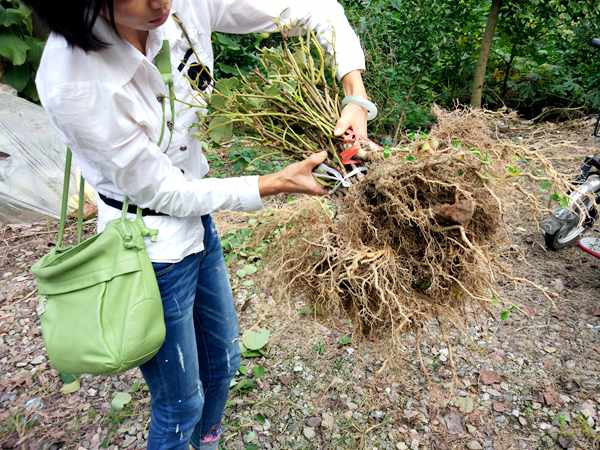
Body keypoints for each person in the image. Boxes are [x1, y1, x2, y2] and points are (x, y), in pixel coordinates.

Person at [24, 0, 371, 448]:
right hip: (146, 248)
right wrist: (271, 184)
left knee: (225, 361)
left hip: (197, 219)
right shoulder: (75, 81)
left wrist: (354, 96)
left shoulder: (180, 6)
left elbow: (314, 9)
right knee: (179, 403)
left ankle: (206, 441)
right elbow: (163, 192)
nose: (159, 2)